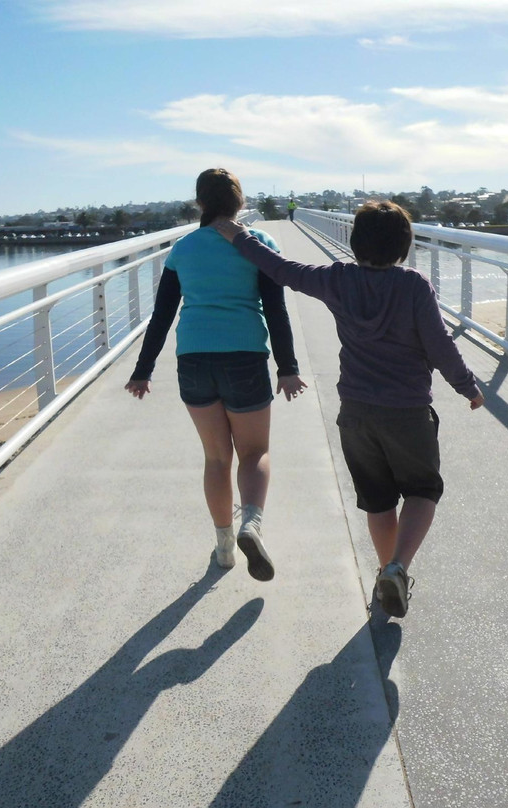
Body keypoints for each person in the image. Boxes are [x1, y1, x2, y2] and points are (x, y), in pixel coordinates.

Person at [212, 200, 484, 617]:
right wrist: (468, 387)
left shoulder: (338, 279)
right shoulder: (413, 286)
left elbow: (282, 269)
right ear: (403, 244)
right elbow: (440, 346)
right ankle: (397, 567)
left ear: (356, 242)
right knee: (423, 490)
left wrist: (238, 235)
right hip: (407, 411)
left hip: (355, 413)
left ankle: (384, 573)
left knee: (377, 500)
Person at [125, 168, 307, 581]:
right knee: (254, 452)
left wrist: (143, 369)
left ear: (200, 204)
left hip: (193, 359)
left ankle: (224, 545)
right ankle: (252, 524)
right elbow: (275, 311)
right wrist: (288, 367)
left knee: (216, 457)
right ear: (240, 204)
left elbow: (162, 316)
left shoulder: (183, 250)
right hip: (244, 357)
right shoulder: (260, 244)